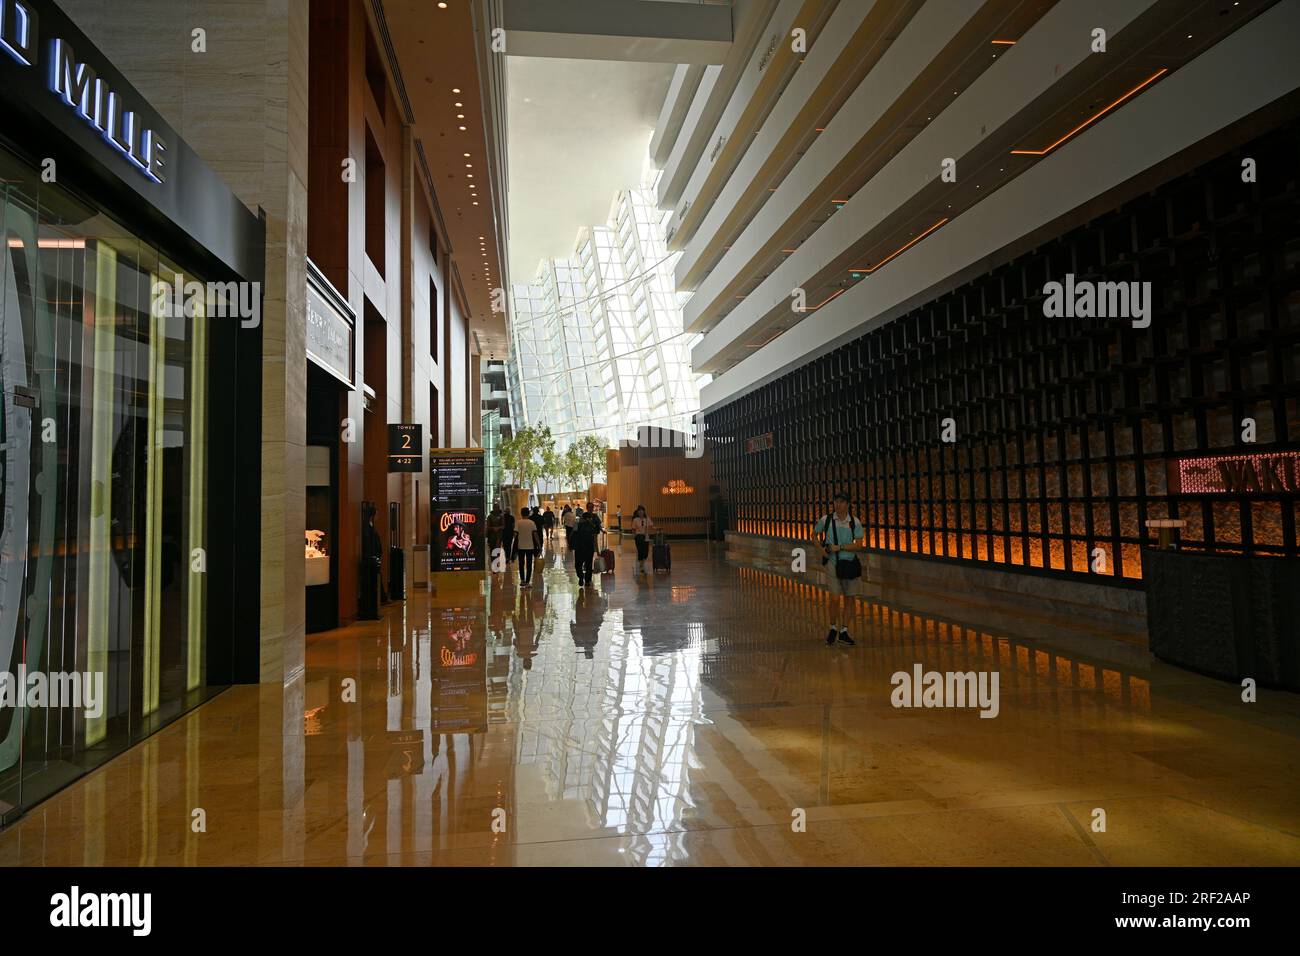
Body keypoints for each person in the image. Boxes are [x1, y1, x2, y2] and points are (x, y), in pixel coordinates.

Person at [814, 491, 865, 646]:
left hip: (849, 564)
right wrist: (821, 550)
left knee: (850, 597)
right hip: (832, 563)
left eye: (842, 502)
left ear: (848, 504)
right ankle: (832, 627)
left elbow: (859, 544)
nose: (838, 505)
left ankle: (844, 631)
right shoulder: (827, 520)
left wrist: (840, 547)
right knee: (835, 598)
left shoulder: (854, 522)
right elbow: (814, 535)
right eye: (836, 501)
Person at [571, 506, 598, 587]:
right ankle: (587, 580)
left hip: (579, 548)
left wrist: (571, 544)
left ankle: (581, 576)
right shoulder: (592, 526)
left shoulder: (577, 524)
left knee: (578, 565)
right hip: (589, 548)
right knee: (588, 564)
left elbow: (573, 534)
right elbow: (596, 534)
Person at [514, 507, 539, 587]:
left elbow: (515, 534)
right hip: (530, 546)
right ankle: (528, 582)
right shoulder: (532, 523)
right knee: (529, 564)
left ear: (521, 514)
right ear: (528, 513)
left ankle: (522, 580)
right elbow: (535, 535)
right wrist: (539, 545)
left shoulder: (518, 523)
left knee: (521, 564)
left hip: (520, 546)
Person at [631, 505, 653, 574]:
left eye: (642, 510)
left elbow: (651, 525)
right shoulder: (635, 520)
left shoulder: (647, 519)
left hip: (646, 537)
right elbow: (633, 529)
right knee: (640, 550)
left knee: (646, 552)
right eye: (639, 511)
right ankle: (641, 565)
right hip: (639, 537)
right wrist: (635, 536)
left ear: (644, 511)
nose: (640, 512)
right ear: (637, 512)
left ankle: (642, 563)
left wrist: (656, 528)